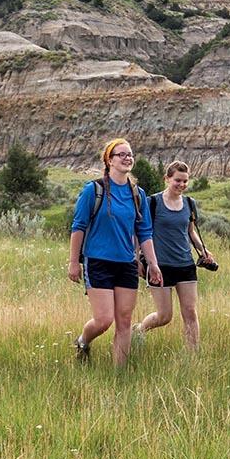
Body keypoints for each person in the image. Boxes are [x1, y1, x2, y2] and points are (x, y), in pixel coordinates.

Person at [68, 138, 163, 366]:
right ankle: (83, 341)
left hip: (127, 264)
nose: (127, 158)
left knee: (125, 320)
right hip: (98, 261)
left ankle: (118, 373)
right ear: (109, 160)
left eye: (130, 154)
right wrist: (73, 262)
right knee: (103, 320)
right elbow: (78, 226)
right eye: (121, 154)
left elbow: (145, 232)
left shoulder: (137, 194)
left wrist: (153, 264)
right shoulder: (94, 190)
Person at [133, 161, 216, 349]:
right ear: (167, 179)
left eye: (185, 181)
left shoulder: (189, 203)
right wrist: (136, 258)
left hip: (185, 264)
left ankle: (192, 356)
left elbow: (191, 231)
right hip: (159, 266)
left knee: (190, 312)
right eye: (178, 180)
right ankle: (139, 329)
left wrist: (203, 250)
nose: (182, 185)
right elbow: (141, 232)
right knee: (164, 316)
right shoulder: (152, 203)